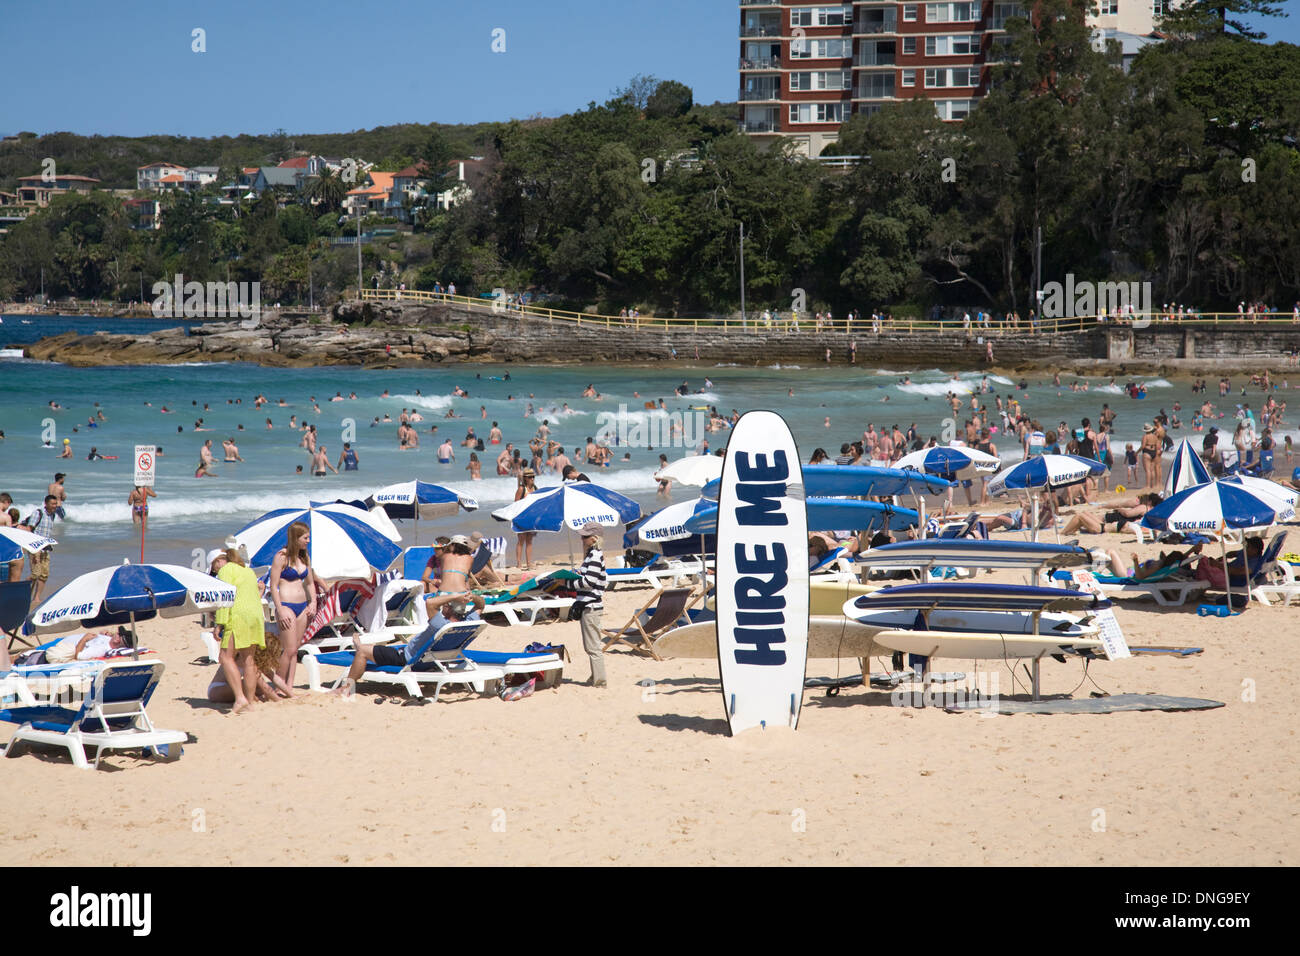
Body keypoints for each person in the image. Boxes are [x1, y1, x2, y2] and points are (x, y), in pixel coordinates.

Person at [330, 592, 484, 695]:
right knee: (382, 649)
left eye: (445, 605)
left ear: (448, 608)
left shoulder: (440, 624)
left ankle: (346, 687)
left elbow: (429, 602)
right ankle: (363, 647)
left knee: (362, 651)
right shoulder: (468, 623)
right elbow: (481, 605)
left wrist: (453, 596)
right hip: (433, 661)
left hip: (408, 659)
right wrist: (472, 596)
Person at [212, 544, 270, 713]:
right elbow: (254, 596)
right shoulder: (248, 571)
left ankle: (240, 698)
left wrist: (219, 624)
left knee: (225, 657)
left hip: (238, 616)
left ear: (219, 561)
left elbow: (225, 598)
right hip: (255, 616)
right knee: (249, 660)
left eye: (214, 567)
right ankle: (250, 702)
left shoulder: (225, 571)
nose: (215, 571)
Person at [270, 522, 321, 693]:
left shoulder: (304, 557)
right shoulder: (281, 557)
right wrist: (280, 609)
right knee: (289, 649)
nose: (309, 540)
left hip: (302, 606)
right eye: (305, 537)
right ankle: (278, 686)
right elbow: (273, 586)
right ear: (295, 538)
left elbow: (310, 584)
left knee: (295, 650)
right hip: (286, 605)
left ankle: (289, 686)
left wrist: (313, 602)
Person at [573, 523, 608, 687]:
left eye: (585, 536)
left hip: (591, 607)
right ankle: (596, 676)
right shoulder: (591, 555)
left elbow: (588, 582)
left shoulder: (594, 556)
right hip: (589, 606)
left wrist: (567, 583)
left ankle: (600, 681)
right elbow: (589, 578)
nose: (581, 538)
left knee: (593, 647)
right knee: (590, 646)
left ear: (594, 539)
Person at [20, 494, 62, 602]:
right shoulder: (38, 513)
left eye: (55, 504)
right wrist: (27, 547)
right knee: (35, 573)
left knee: (44, 575)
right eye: (52, 504)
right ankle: (22, 591)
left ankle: (36, 598)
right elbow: (29, 530)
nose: (55, 506)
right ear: (46, 503)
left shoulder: (52, 515)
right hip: (35, 547)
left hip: (46, 547)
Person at [514, 468, 538, 569]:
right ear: (525, 478)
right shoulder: (521, 489)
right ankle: (519, 563)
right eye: (530, 477)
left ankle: (529, 563)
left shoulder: (536, 488)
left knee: (529, 541)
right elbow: (515, 504)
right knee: (521, 540)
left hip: (532, 518)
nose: (532, 478)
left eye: (533, 476)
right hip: (522, 518)